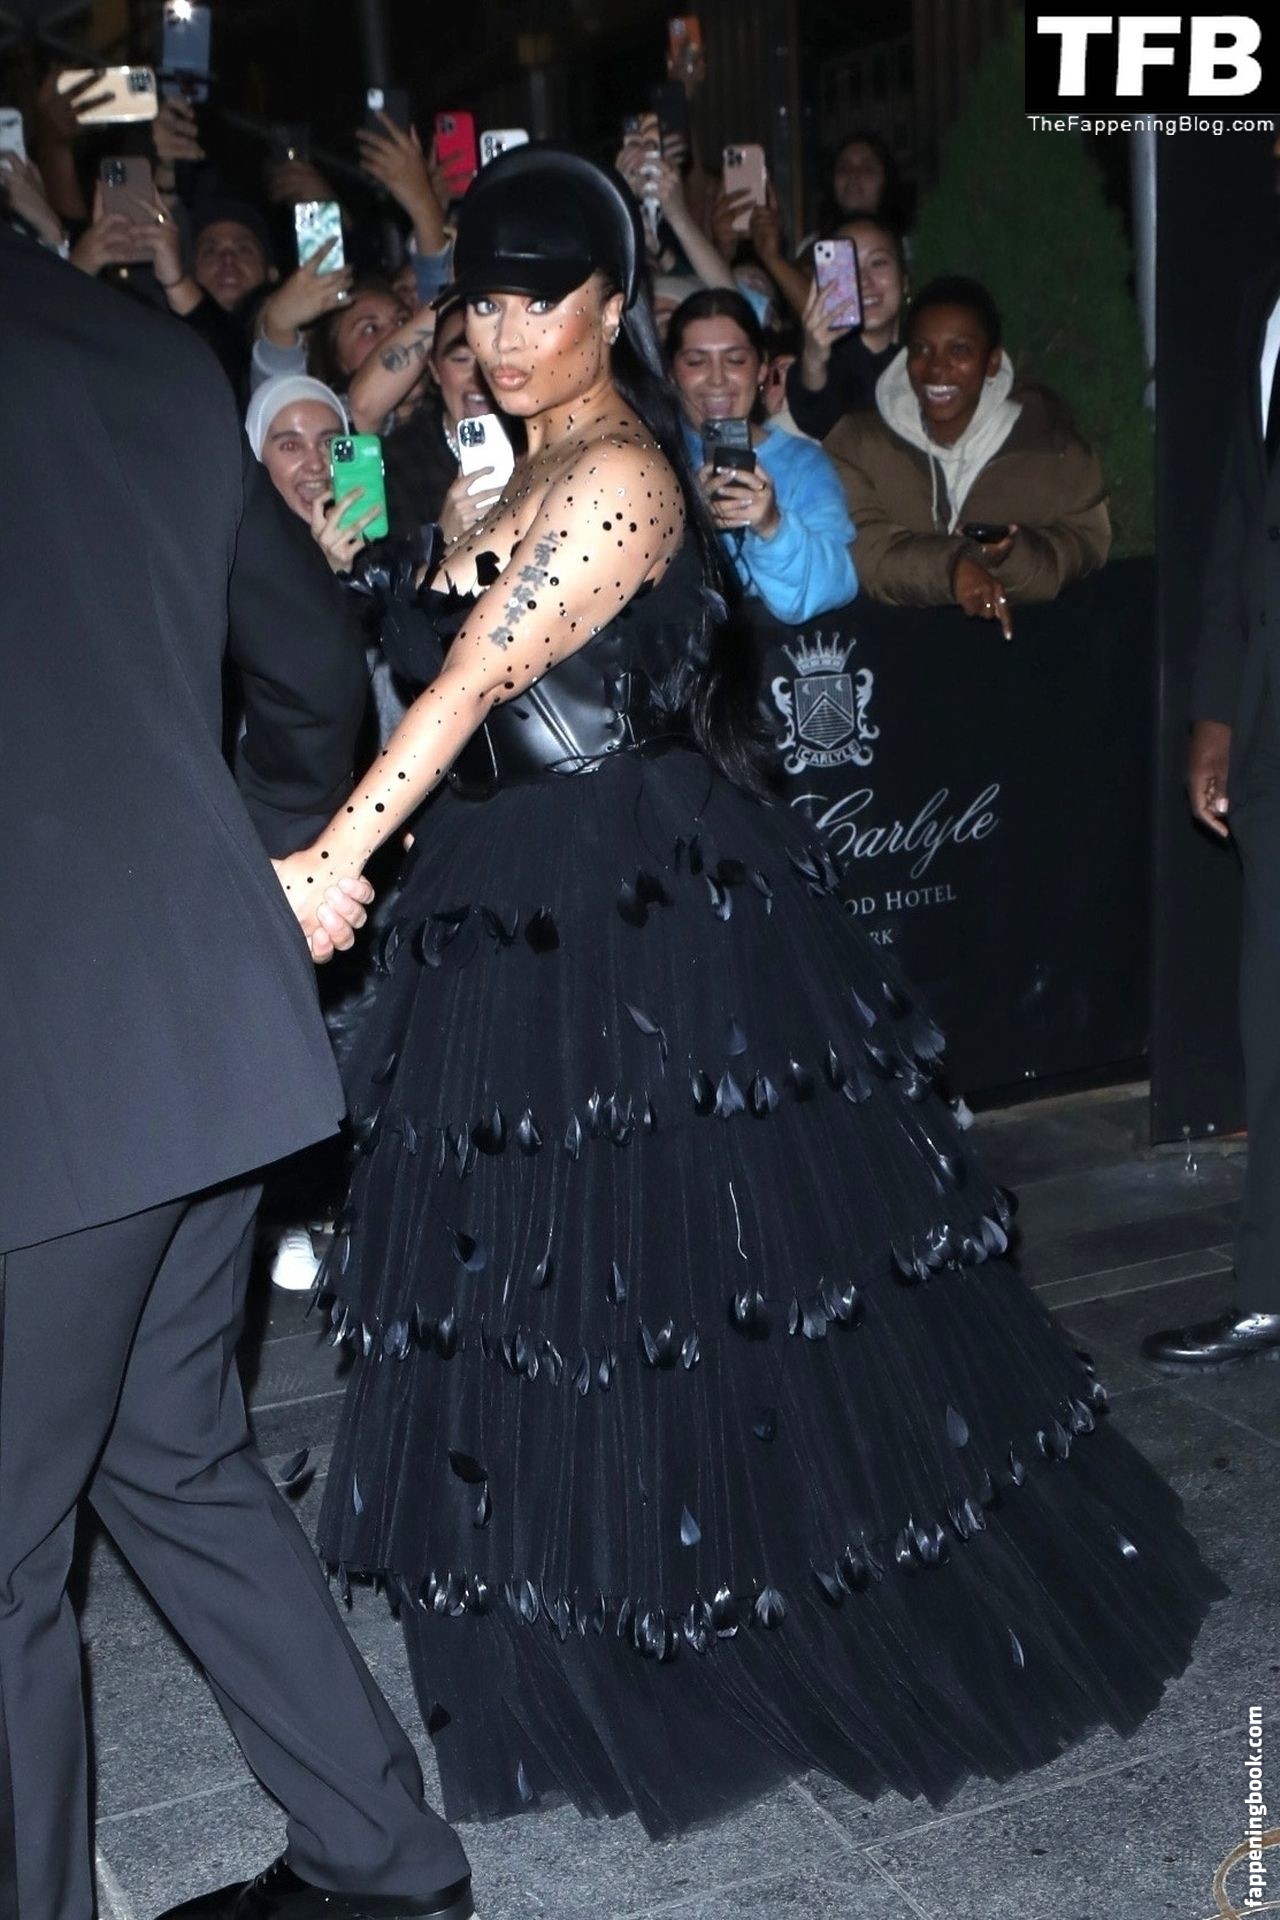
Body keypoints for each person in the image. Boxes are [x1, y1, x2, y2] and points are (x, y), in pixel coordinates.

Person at [289, 145, 1224, 1839]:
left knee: (684, 1273)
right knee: (545, 1280)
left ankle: (714, 1615)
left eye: (538, 302)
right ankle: (592, 1601)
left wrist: (328, 858)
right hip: (504, 908)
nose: (503, 334)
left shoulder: (622, 479)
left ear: (613, 306)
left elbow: (474, 683)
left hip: (631, 911)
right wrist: (388, 523)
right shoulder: (511, 461)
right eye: (482, 305)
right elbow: (422, 616)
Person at [0, 217, 474, 1920]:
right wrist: (259, 874)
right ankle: (380, 1856)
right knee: (169, 1451)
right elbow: (306, 664)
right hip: (205, 1017)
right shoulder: (140, 351)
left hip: (46, 1061)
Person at [1142, 229, 1280, 1367]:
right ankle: (1269, 1286)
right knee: (1269, 1022)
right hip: (1270, 728)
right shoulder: (1263, 296)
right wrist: (1217, 711)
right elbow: (1245, 510)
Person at [824, 275, 1111, 636]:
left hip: (1023, 659)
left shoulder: (1053, 451)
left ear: (992, 362)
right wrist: (954, 567)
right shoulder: (857, 445)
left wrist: (1009, 556)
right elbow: (867, 552)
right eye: (921, 350)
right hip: (893, 654)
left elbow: (1082, 548)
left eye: (959, 351)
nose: (936, 368)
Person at [668, 286, 857, 624]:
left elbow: (833, 587)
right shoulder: (651, 461)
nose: (717, 379)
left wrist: (771, 526)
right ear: (671, 373)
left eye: (735, 360)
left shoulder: (805, 465)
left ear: (760, 369)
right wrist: (688, 527)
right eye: (696, 361)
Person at [785, 215, 907, 442]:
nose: (864, 280)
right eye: (848, 266)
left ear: (904, 277)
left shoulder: (927, 351)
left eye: (878, 263)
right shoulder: (828, 362)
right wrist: (814, 360)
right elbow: (816, 418)